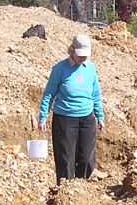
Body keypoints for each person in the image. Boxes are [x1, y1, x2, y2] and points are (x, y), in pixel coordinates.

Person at [38, 34, 105, 184]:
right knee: (66, 159)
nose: (83, 59)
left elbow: (96, 94)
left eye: (85, 56)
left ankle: (81, 186)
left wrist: (100, 116)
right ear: (72, 51)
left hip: (86, 118)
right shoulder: (59, 69)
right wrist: (43, 117)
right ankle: (66, 187)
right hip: (65, 119)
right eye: (80, 55)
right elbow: (49, 94)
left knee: (87, 157)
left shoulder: (91, 69)